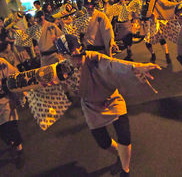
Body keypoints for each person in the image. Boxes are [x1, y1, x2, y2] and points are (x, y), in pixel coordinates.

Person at [55, 34, 161, 177]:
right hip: (91, 106)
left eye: (79, 55)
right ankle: (120, 155)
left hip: (111, 99)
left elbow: (113, 64)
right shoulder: (61, 70)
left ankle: (125, 170)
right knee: (103, 142)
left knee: (124, 135)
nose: (78, 60)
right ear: (63, 56)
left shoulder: (93, 58)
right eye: (72, 57)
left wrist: (136, 67)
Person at [0, 36, 24, 167]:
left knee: (12, 128)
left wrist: (18, 95)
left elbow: (14, 76)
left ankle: (19, 151)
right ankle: (11, 143)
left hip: (5, 100)